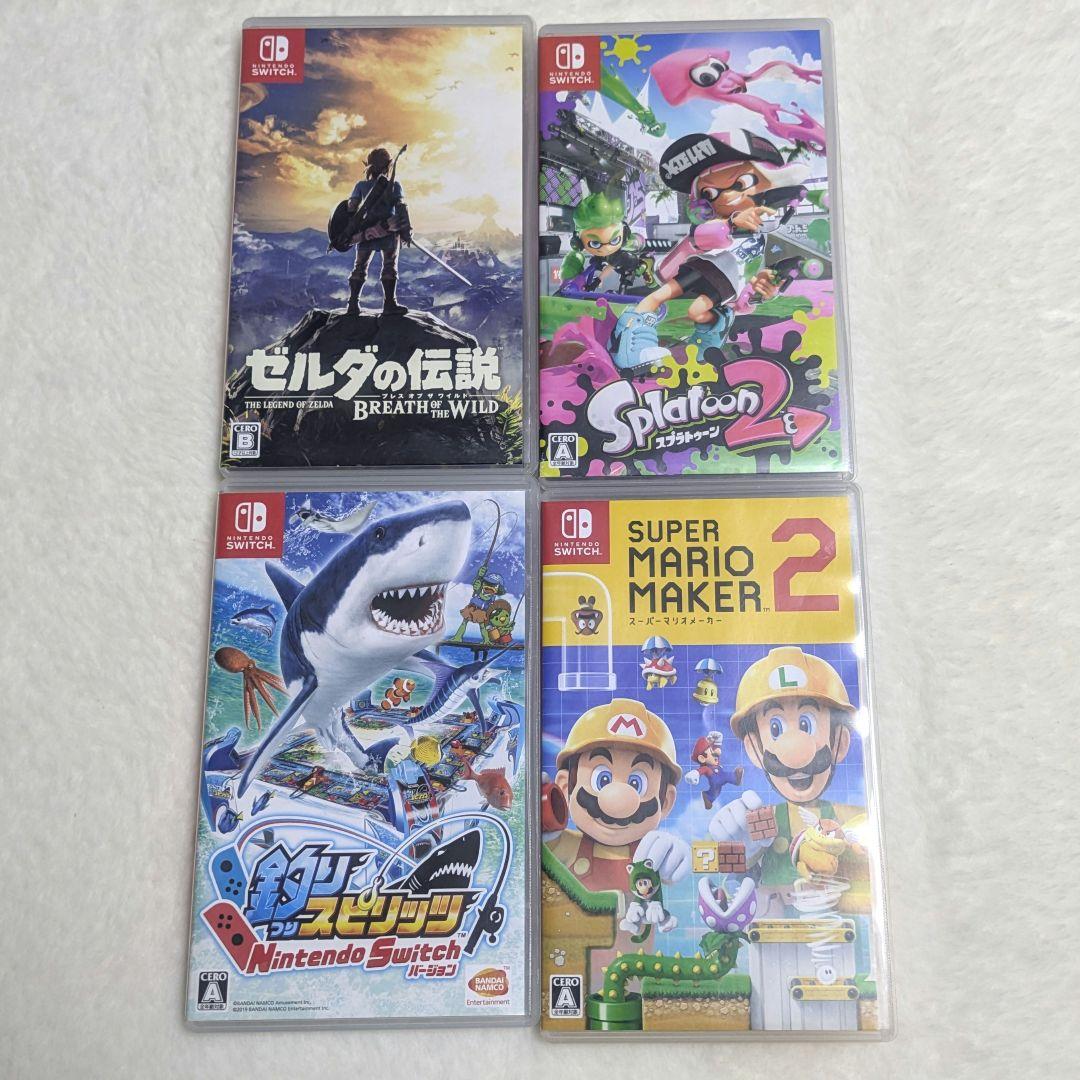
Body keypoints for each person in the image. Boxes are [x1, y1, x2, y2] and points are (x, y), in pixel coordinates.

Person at [346, 147, 412, 316]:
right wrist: (406, 231)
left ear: (369, 166)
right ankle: (389, 304)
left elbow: (351, 208)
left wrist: (352, 230)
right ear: (388, 166)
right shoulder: (394, 185)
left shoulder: (361, 186)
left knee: (359, 267)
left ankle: (353, 304)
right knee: (389, 266)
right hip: (388, 231)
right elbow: (401, 207)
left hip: (366, 232)